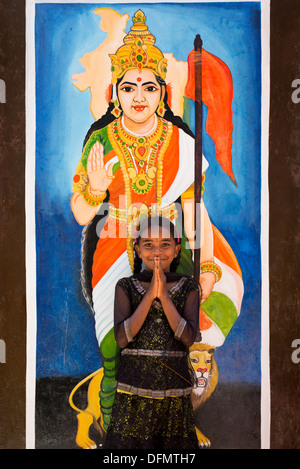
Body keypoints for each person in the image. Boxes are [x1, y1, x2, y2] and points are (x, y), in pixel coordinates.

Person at [70, 9, 217, 435]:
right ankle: (118, 436)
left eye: (149, 87)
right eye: (129, 87)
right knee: (113, 346)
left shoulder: (179, 141)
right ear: (116, 91)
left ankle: (167, 433)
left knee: (168, 346)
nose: (139, 97)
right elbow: (81, 213)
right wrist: (96, 187)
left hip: (167, 253)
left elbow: (194, 212)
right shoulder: (101, 138)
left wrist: (205, 267)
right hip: (114, 246)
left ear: (162, 92)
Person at [103, 215, 200, 449]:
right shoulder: (125, 286)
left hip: (173, 395)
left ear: (176, 250)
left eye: (165, 244)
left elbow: (187, 337)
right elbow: (123, 339)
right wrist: (150, 296)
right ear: (137, 249)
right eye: (148, 245)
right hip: (132, 395)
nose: (157, 251)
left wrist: (164, 296)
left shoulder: (189, 287)